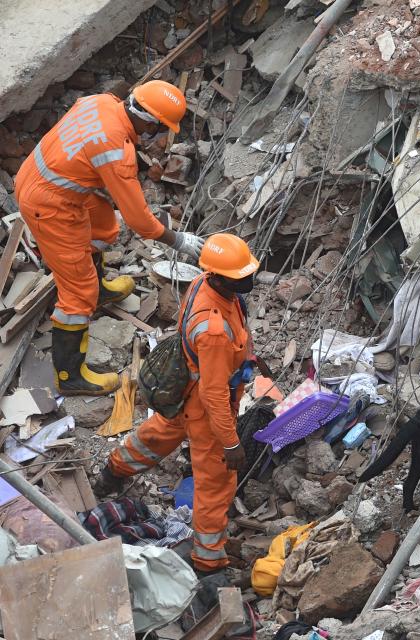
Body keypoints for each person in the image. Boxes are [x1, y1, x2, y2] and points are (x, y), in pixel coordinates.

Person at [14, 80, 205, 396]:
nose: (158, 137)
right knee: (77, 295)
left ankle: (99, 288)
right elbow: (140, 220)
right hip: (48, 205)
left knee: (103, 226)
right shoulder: (116, 150)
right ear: (148, 122)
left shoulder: (102, 101)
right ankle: (69, 375)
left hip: (48, 178)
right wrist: (177, 240)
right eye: (160, 129)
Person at [93, 233, 259, 574]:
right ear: (218, 275)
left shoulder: (203, 283)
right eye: (241, 275)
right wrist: (230, 442)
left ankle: (112, 472)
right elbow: (214, 396)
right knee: (215, 482)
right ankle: (208, 563)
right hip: (206, 406)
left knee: (158, 434)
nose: (249, 279)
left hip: (186, 389)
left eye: (248, 272)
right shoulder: (213, 329)